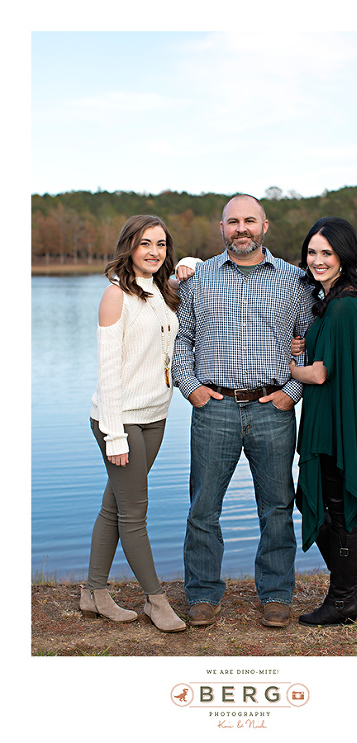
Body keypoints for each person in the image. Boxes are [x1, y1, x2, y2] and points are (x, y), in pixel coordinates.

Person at [172, 194, 314, 628]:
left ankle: (275, 593)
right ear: (222, 228)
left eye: (249, 220)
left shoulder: (294, 280)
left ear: (265, 226)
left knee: (276, 506)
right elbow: (182, 340)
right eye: (233, 222)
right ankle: (202, 594)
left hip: (273, 409)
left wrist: (292, 391)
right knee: (203, 507)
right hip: (213, 407)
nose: (241, 229)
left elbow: (309, 342)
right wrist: (191, 387)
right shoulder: (200, 278)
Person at [80, 215, 186, 632]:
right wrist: (115, 435)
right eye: (145, 244)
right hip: (120, 421)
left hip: (156, 418)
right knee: (135, 515)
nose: (154, 252)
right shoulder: (115, 296)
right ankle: (156, 601)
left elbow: (183, 275)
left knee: (115, 506)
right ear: (130, 246)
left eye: (161, 244)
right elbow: (108, 372)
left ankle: (93, 592)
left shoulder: (161, 292)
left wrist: (188, 264)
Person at [289, 216, 357, 626]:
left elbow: (320, 373)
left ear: (344, 255)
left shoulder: (342, 304)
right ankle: (352, 586)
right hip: (335, 418)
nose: (318, 260)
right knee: (325, 505)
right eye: (312, 251)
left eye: (327, 252)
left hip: (335, 423)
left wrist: (289, 367)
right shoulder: (336, 297)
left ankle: (342, 596)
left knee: (334, 510)